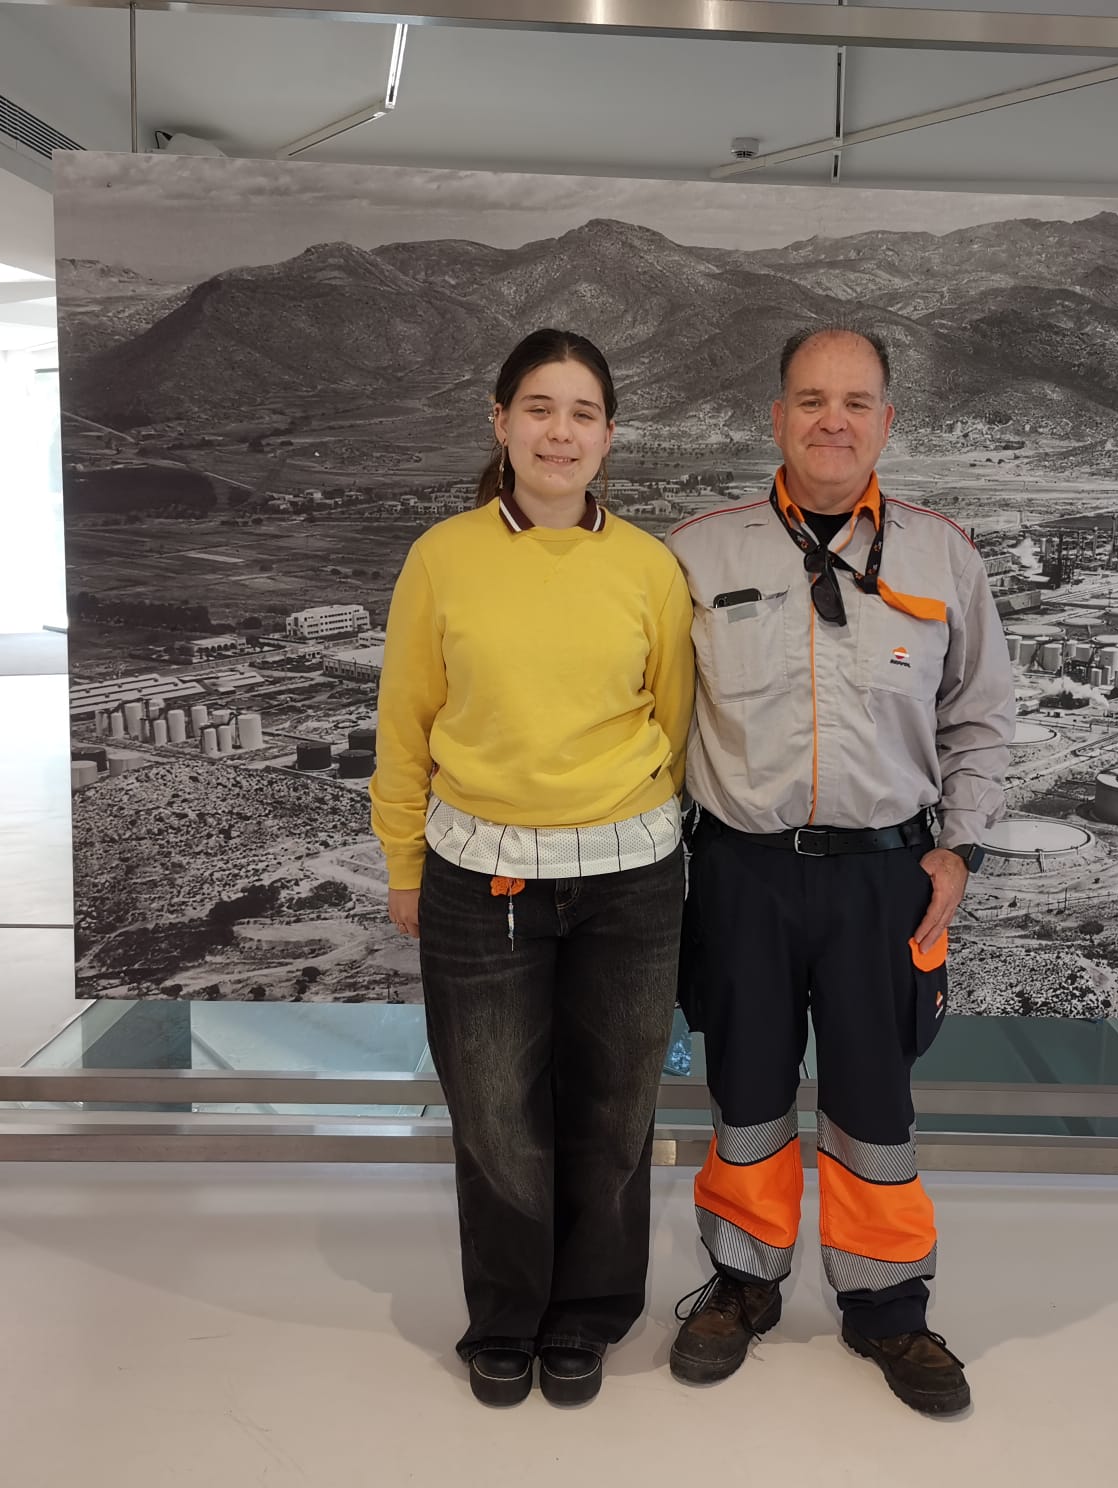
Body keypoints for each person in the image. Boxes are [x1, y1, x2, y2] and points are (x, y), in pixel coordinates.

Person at [664, 326, 1014, 1415]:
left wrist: (960, 845)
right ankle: (742, 1281)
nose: (832, 420)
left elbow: (980, 717)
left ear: (886, 422)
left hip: (883, 878)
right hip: (743, 873)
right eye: (810, 399)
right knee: (747, 1092)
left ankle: (886, 1303)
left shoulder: (943, 557)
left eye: (855, 402)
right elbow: (651, 721)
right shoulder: (697, 555)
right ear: (776, 417)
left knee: (875, 1101)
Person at [371, 328, 695, 1408]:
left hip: (631, 878)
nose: (561, 432)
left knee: (614, 1107)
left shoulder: (648, 566)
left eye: (583, 413)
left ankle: (588, 1316)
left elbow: (674, 722)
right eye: (540, 409)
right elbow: (405, 724)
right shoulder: (442, 557)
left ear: (610, 436)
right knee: (494, 1110)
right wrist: (404, 863)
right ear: (500, 422)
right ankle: (507, 1316)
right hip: (479, 876)